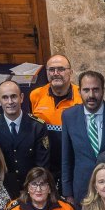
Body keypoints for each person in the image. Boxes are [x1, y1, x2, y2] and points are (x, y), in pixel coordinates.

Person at [60, 71, 105, 202]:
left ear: (103, 90)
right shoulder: (69, 116)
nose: (91, 95)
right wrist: (68, 193)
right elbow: (66, 157)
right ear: (79, 91)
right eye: (86, 90)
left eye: (96, 90)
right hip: (82, 190)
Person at [0, 79, 50, 198]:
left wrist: (32, 190)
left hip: (32, 190)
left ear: (21, 97)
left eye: (14, 96)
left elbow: (42, 165)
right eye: (5, 97)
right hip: (3, 191)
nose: (10, 101)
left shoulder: (37, 126)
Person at [28, 55, 80, 189]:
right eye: (51, 70)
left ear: (70, 72)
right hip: (45, 162)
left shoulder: (81, 96)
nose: (56, 73)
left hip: (72, 163)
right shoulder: (36, 95)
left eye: (61, 69)